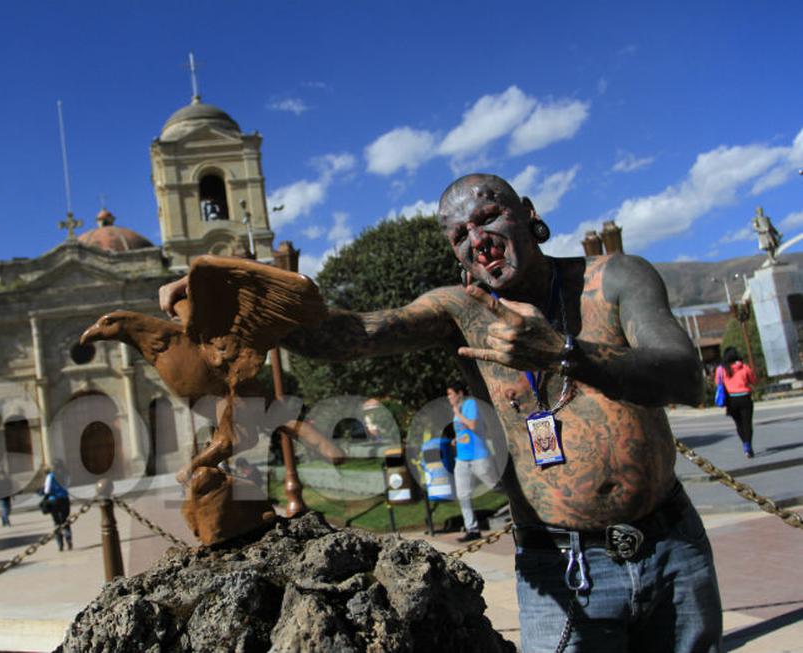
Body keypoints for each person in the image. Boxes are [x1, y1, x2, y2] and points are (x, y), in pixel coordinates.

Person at [164, 173, 721, 652]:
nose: (478, 240)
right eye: (460, 235)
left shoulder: (613, 279)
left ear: (528, 216)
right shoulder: (460, 312)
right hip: (564, 563)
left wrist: (563, 352)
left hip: (672, 545)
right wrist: (240, 299)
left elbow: (683, 376)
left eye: (489, 216)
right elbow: (350, 335)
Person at [446, 381, 496, 542]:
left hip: (478, 456)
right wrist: (456, 439)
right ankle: (472, 529)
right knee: (463, 495)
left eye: (451, 394)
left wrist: (458, 413)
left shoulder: (470, 405)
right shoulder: (456, 411)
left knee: (496, 486)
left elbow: (473, 425)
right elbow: (463, 430)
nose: (449, 398)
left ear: (460, 393)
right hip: (462, 459)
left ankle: (520, 509)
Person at [715, 347, 757, 458]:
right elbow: (753, 380)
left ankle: (745, 444)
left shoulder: (722, 369)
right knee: (747, 423)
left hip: (731, 400)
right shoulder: (744, 367)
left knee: (738, 424)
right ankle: (748, 446)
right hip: (745, 398)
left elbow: (718, 383)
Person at [42, 467, 72, 551]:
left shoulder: (50, 476)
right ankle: (68, 539)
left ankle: (60, 544)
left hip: (54, 500)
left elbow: (47, 490)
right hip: (64, 499)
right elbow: (67, 484)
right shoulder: (65, 474)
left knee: (56, 522)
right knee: (65, 520)